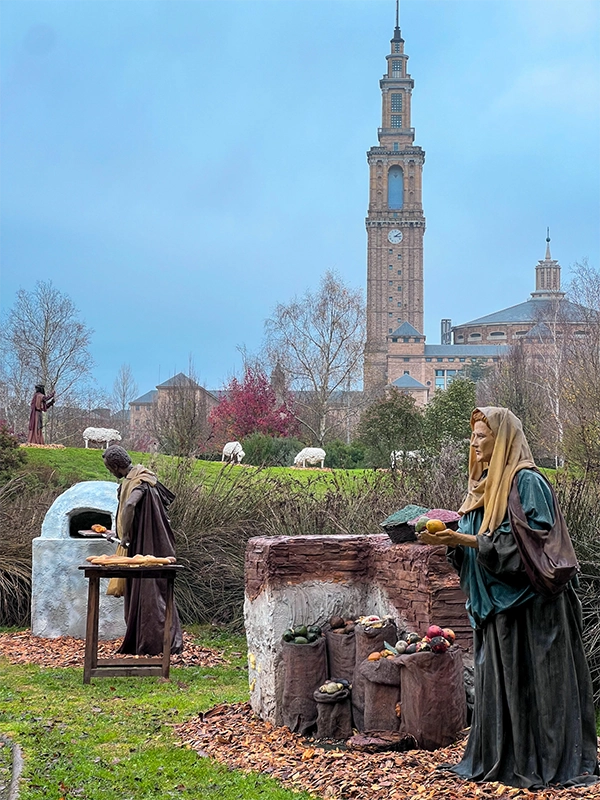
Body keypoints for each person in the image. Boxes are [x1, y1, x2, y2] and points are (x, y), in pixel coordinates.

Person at [418, 407, 598, 789]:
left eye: (482, 436)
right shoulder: (482, 485)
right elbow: (479, 541)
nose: (474, 443)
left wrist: (464, 540)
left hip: (532, 610)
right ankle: (506, 758)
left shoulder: (527, 482)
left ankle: (545, 761)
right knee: (502, 686)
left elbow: (532, 545)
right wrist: (451, 543)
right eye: (473, 436)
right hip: (495, 608)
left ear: (503, 440)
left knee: (537, 686)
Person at [102, 445, 183, 656]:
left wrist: (126, 536)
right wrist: (118, 533)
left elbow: (130, 506)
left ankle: (153, 642)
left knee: (149, 591)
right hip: (152, 542)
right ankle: (153, 640)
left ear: (116, 466)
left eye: (109, 468)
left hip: (149, 546)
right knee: (150, 589)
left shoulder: (139, 481)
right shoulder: (144, 477)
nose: (110, 472)